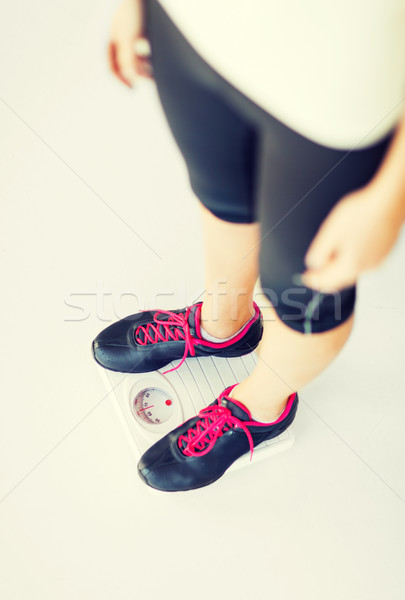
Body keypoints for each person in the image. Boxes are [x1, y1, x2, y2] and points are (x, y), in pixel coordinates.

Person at [93, 0, 405, 492]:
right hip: (191, 30)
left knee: (305, 287)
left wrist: (394, 190)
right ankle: (222, 327)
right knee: (223, 202)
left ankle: (261, 408)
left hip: (336, 94)